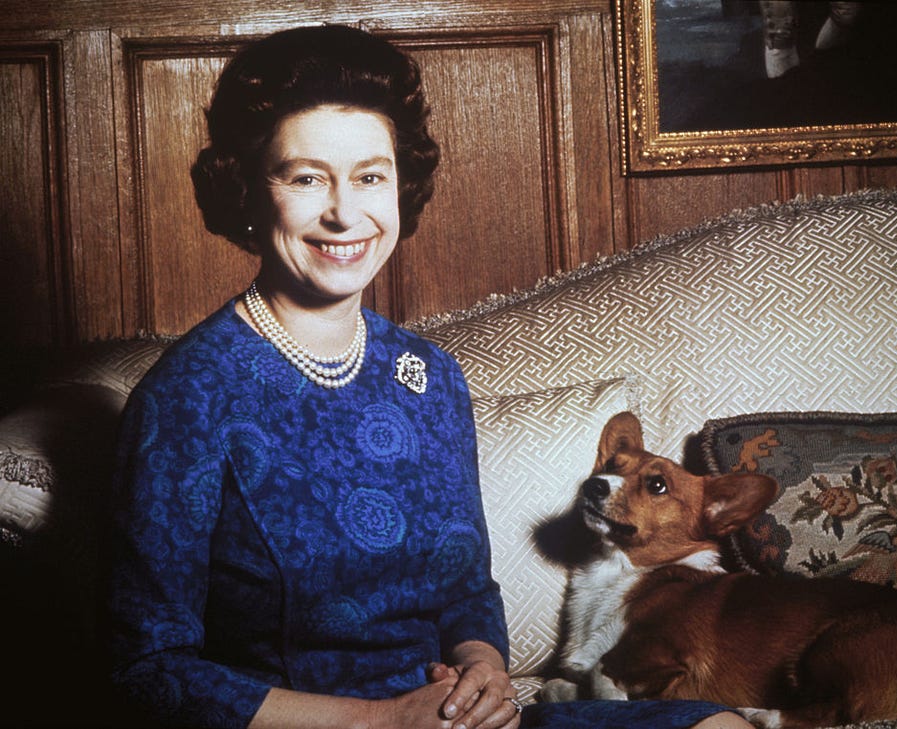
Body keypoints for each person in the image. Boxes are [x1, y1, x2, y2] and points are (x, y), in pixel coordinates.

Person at [106, 24, 754, 729]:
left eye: (369, 177)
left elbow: (465, 592)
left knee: (715, 726)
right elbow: (147, 669)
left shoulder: (430, 379)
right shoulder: (185, 398)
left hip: (448, 723)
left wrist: (483, 668)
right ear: (248, 192)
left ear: (400, 188)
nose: (344, 212)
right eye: (305, 177)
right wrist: (379, 720)